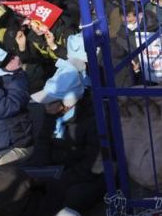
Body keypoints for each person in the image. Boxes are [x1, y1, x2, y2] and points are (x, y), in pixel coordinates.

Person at [26, 60, 104, 212]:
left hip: (87, 175)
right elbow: (43, 140)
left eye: (50, 103)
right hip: (59, 168)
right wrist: (39, 169)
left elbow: (94, 162)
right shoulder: (53, 112)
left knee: (68, 197)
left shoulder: (93, 118)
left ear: (68, 103)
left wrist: (61, 177)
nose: (45, 107)